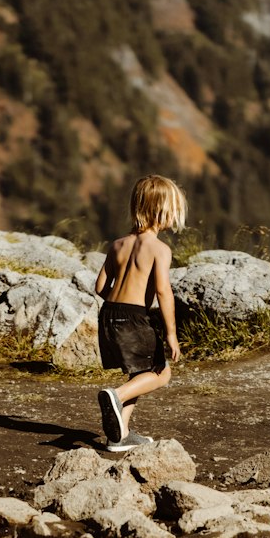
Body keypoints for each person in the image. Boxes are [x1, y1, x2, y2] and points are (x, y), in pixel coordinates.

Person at [94, 174, 187, 451]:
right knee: (160, 373)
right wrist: (171, 334)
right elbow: (163, 292)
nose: (174, 216)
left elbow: (100, 286)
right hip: (135, 318)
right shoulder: (159, 249)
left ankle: (119, 435)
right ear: (160, 210)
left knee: (140, 373)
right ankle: (115, 395)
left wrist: (118, 306)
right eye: (173, 209)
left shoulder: (118, 245)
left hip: (109, 314)